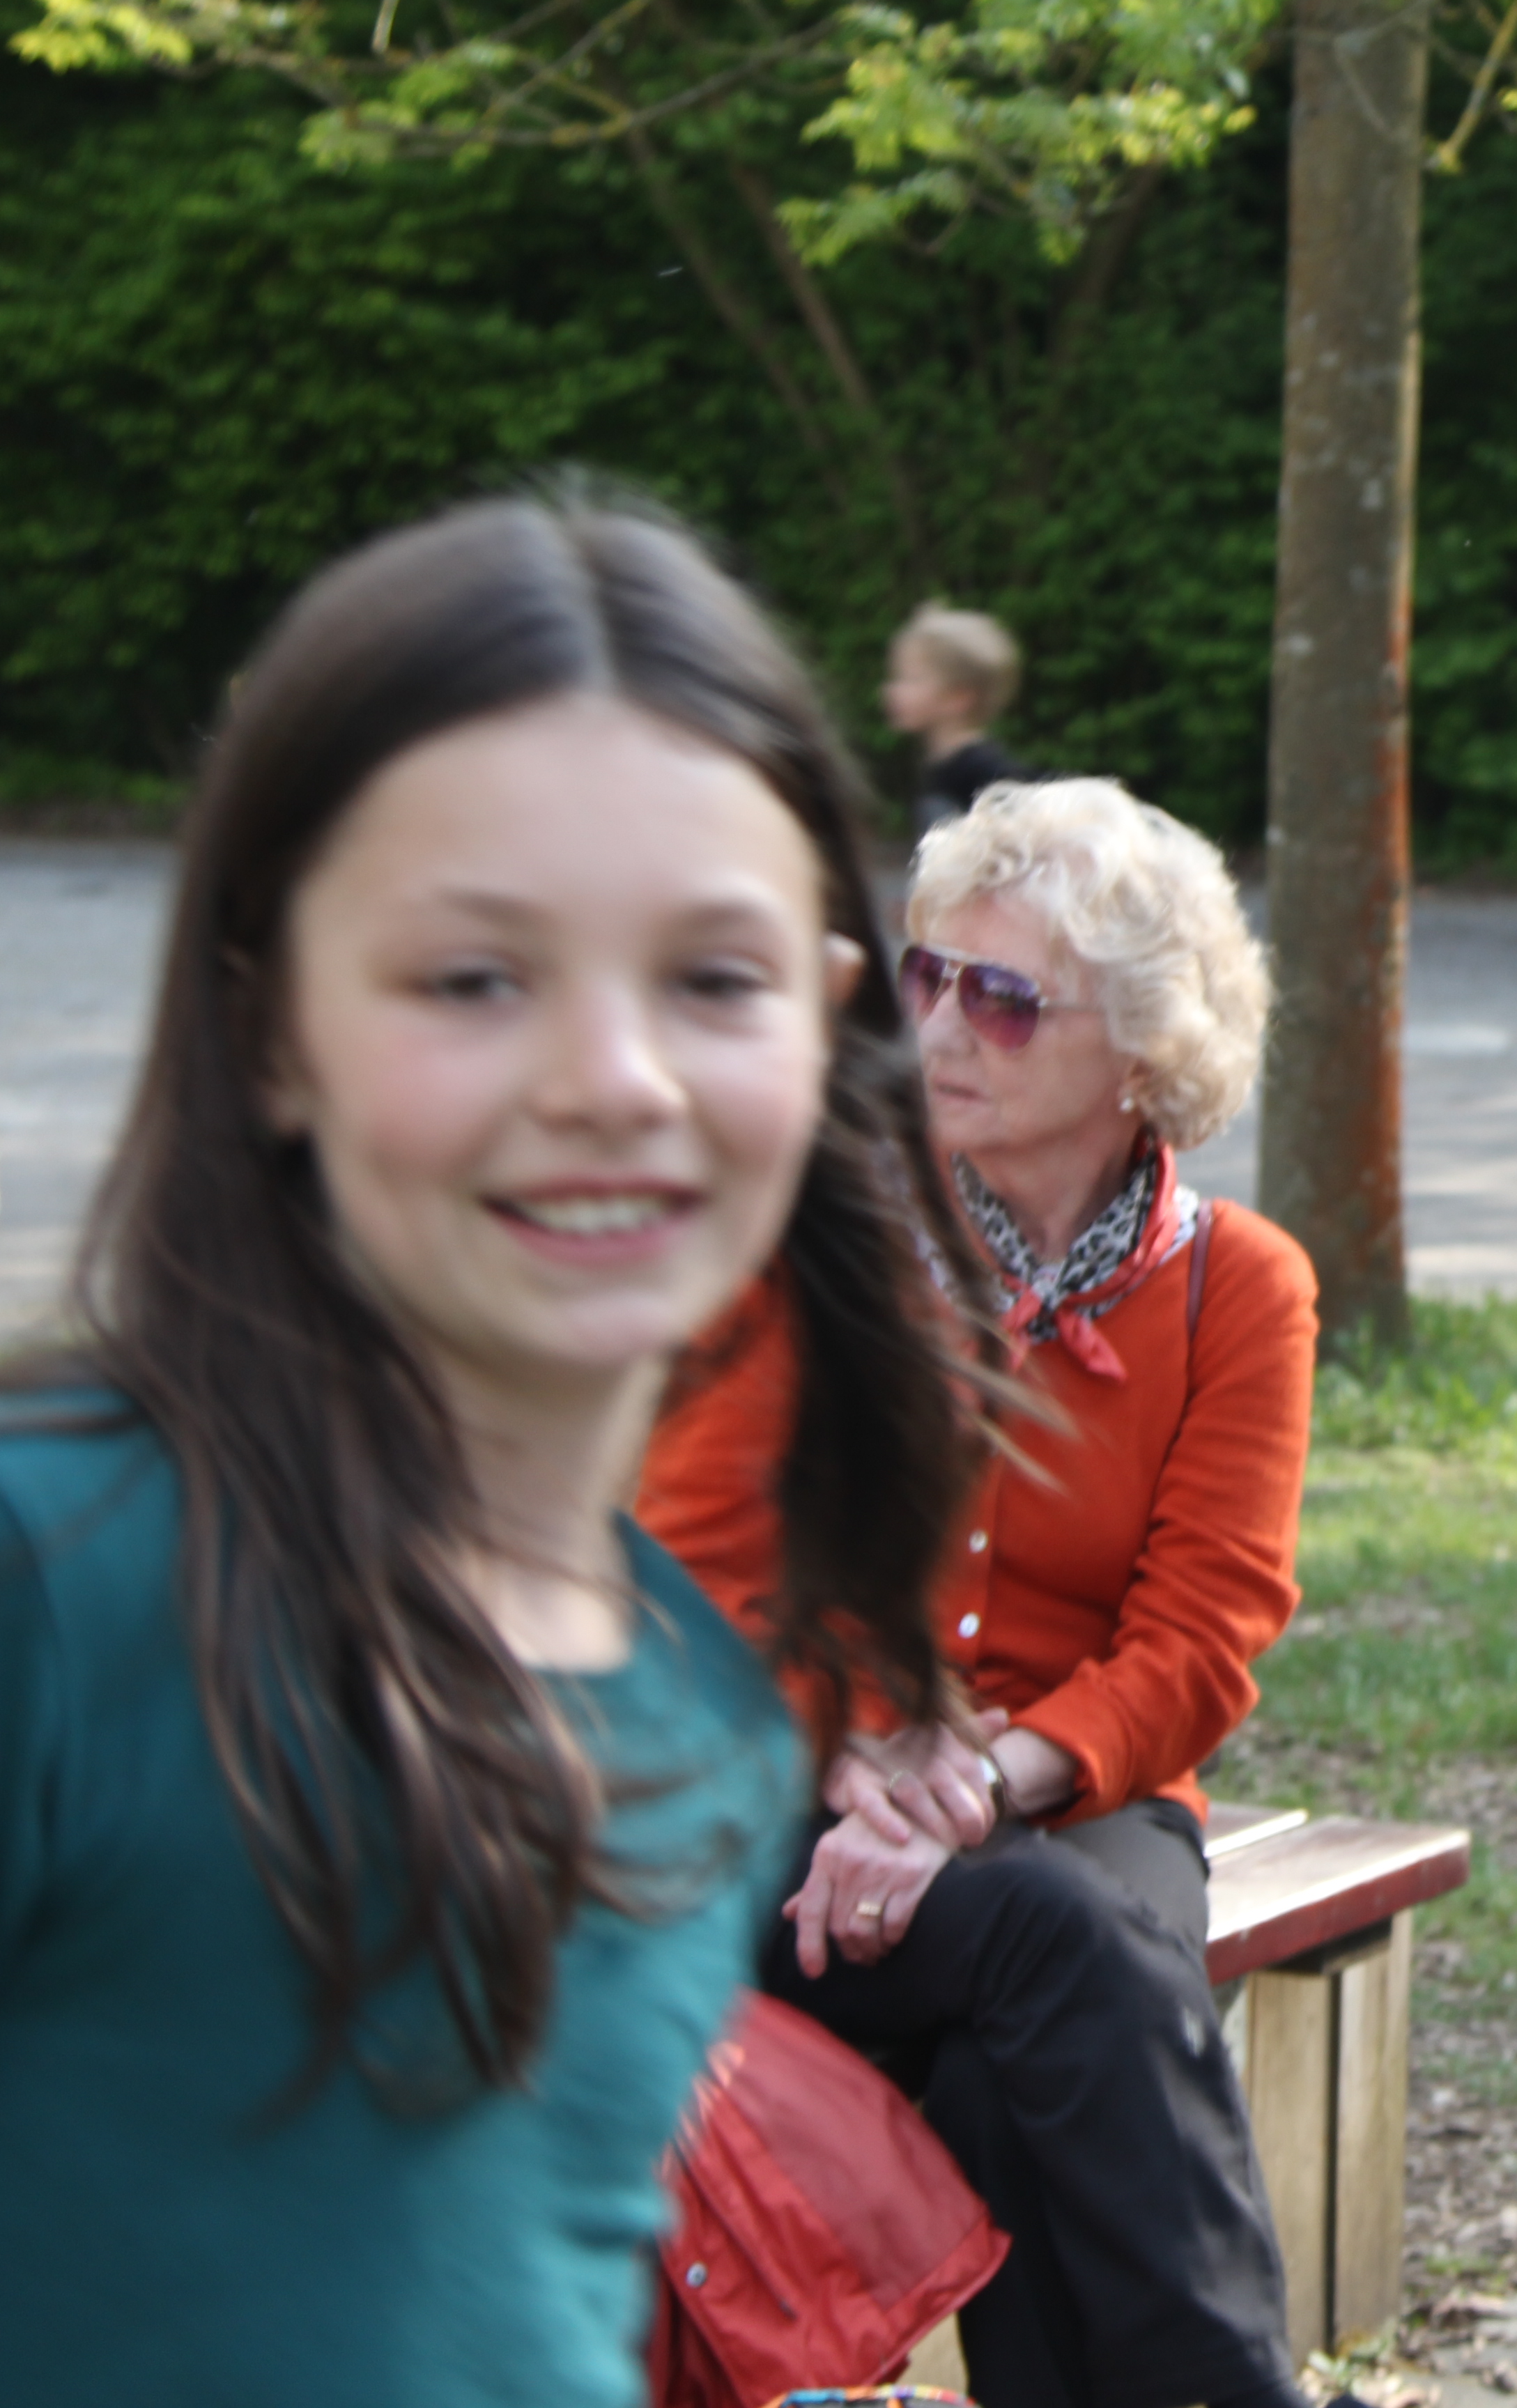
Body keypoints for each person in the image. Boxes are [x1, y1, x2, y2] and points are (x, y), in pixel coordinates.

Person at [0, 494, 994, 2405]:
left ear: (821, 1028)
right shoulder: (51, 1588)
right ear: (267, 1024)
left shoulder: (702, 1719)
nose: (611, 1078)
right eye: (474, 978)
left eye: (711, 978)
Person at [638, 778, 1318, 2408]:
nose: (939, 1027)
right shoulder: (816, 1248)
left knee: (1019, 2046)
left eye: (1004, 998)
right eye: (926, 974)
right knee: (1056, 1942)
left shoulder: (1239, 1290)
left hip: (1082, 1794)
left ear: (1142, 1050)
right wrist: (864, 1760)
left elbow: (1202, 1639)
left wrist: (986, 1782)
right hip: (772, 1802)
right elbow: (687, 1576)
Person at [886, 601, 1031, 835]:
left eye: (911, 679)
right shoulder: (939, 767)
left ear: (959, 697)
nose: (893, 691)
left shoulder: (989, 777)